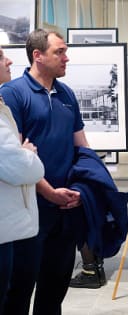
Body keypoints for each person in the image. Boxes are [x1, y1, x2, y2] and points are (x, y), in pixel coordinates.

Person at [0, 29, 89, 315]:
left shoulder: (67, 94)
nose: (67, 57)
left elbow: (81, 145)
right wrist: (50, 192)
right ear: (37, 56)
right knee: (19, 290)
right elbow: (16, 157)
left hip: (65, 208)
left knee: (54, 290)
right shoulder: (13, 94)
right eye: (59, 52)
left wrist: (83, 187)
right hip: (30, 212)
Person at [0, 48, 44, 314]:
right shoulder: (14, 95)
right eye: (1, 56)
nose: (10, 60)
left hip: (11, 225)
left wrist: (22, 154)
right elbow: (17, 165)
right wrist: (29, 156)